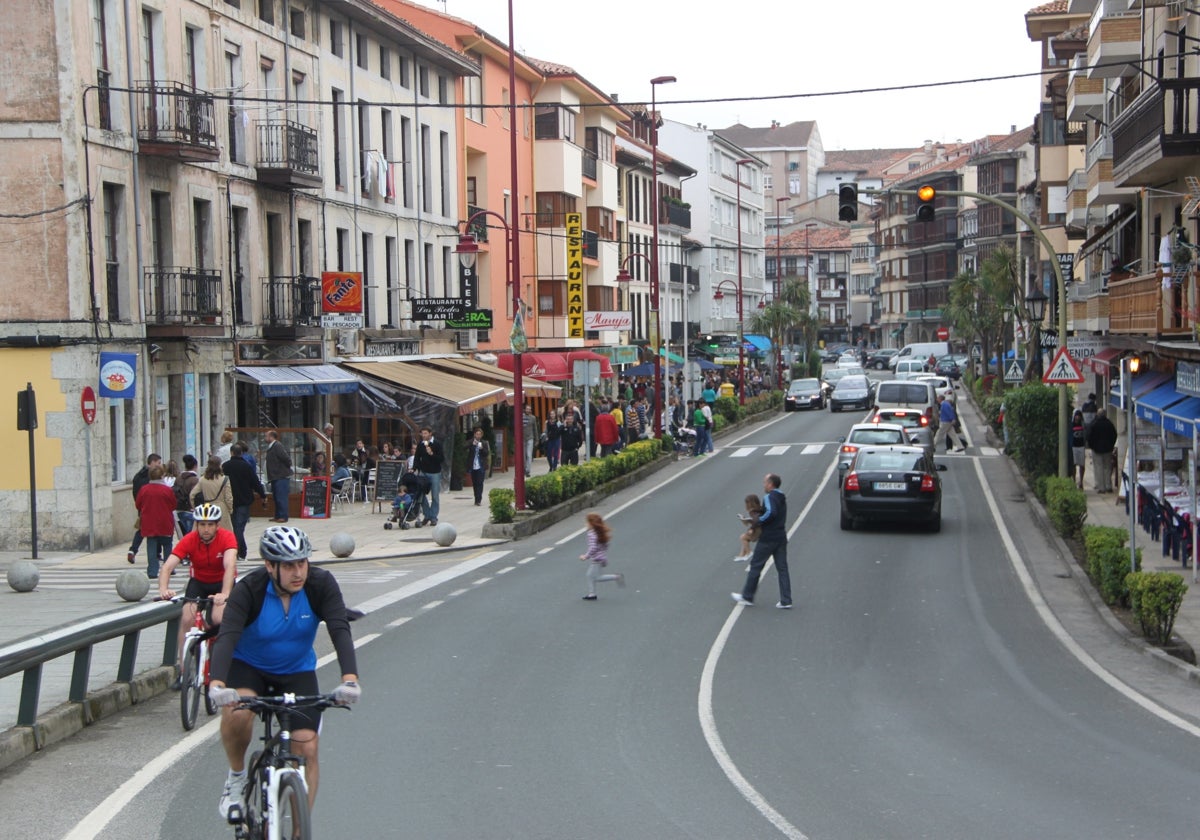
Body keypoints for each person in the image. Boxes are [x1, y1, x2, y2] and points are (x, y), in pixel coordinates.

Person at [207, 526, 360, 818]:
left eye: (302, 562)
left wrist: (349, 680)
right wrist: (217, 684)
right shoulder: (249, 590)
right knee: (237, 714)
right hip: (249, 668)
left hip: (296, 671)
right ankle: (237, 778)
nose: (298, 572)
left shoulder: (320, 584)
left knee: (308, 747)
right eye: (289, 565)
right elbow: (227, 635)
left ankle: (300, 831)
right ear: (269, 565)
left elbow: (340, 628)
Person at [158, 503, 238, 689]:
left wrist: (225, 594)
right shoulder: (190, 539)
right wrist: (164, 589)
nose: (206, 529)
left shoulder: (227, 537)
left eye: (210, 524)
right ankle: (184, 671)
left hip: (222, 582)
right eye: (202, 525)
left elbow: (230, 566)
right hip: (199, 583)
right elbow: (168, 566)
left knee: (218, 618)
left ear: (218, 525)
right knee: (187, 618)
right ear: (196, 525)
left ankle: (223, 659)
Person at [732, 473, 791, 609]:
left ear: (770, 484)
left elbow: (771, 513)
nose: (763, 485)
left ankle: (747, 596)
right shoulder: (782, 497)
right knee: (782, 568)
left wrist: (758, 522)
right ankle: (786, 599)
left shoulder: (769, 497)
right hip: (780, 536)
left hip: (768, 538)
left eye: (765, 482)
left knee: (756, 565)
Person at [221, 446, 264, 561]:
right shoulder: (246, 466)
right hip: (244, 500)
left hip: (230, 500)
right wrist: (262, 495)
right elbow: (255, 481)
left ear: (231, 453)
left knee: (234, 526)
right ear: (241, 453)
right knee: (239, 527)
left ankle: (237, 550)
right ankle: (241, 551)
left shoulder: (225, 466)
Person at [136, 464, 177, 580]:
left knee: (151, 546)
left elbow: (138, 504)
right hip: (165, 521)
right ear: (162, 475)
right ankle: (169, 568)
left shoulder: (144, 490)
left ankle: (152, 570)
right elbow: (173, 504)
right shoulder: (167, 490)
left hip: (149, 522)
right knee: (167, 545)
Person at [126, 453, 163, 564]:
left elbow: (135, 493)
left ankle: (133, 550)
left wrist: (140, 506)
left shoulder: (137, 476)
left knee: (142, 530)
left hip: (143, 507)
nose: (159, 465)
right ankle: (156, 553)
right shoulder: (151, 477)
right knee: (156, 531)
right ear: (152, 462)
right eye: (158, 463)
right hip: (153, 508)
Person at [579, 512, 624, 600]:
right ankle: (592, 594)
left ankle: (617, 577)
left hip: (597, 559)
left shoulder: (591, 534)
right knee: (590, 575)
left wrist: (585, 556)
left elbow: (593, 548)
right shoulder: (599, 533)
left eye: (587, 522)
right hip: (601, 558)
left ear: (591, 524)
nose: (585, 524)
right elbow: (605, 545)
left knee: (597, 577)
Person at [413, 426, 444, 526]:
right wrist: (414, 468)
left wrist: (431, 454)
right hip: (423, 472)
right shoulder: (421, 445)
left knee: (435, 495)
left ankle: (433, 517)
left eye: (426, 433)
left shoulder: (437, 444)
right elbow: (417, 458)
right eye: (422, 433)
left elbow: (441, 459)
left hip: (434, 472)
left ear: (430, 434)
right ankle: (427, 515)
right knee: (421, 495)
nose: (424, 435)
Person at [1086, 408, 1119, 493]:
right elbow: (1114, 435)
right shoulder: (1109, 424)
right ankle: (1108, 485)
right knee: (1108, 468)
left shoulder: (1094, 424)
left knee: (1099, 468)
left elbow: (1089, 436)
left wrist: (1092, 446)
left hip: (1097, 450)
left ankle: (1101, 487)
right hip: (1108, 449)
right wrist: (1111, 445)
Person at [264, 429, 293, 522]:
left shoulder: (277, 446)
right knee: (276, 497)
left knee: (281, 497)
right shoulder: (271, 447)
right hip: (274, 476)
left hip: (280, 476)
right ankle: (277, 515)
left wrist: (283, 469)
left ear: (271, 437)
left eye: (266, 436)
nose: (265, 438)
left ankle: (283, 516)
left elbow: (286, 458)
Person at [733, 494, 765, 562]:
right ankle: (741, 555)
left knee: (743, 537)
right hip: (761, 528)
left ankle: (749, 552)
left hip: (758, 530)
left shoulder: (752, 512)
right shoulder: (760, 508)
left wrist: (751, 529)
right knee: (745, 538)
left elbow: (756, 520)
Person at [175, 454, 200, 536]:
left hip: (179, 509)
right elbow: (197, 496)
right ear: (195, 466)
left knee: (184, 536)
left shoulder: (178, 478)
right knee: (191, 537)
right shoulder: (195, 480)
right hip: (191, 510)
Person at [468, 426, 490, 506]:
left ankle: (479, 499)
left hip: (481, 466)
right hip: (473, 466)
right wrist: (472, 444)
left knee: (480, 482)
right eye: (477, 434)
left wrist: (481, 448)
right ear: (474, 435)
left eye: (479, 434)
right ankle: (476, 498)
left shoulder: (484, 443)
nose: (478, 436)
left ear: (481, 435)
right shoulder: (471, 442)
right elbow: (464, 447)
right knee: (474, 483)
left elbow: (486, 453)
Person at [1071, 409, 1088, 489]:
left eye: (1079, 416)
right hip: (1074, 447)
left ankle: (1081, 481)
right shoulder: (1072, 425)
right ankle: (1073, 479)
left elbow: (1085, 435)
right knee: (1073, 465)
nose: (1077, 417)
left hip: (1081, 446)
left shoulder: (1083, 425)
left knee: (1082, 465)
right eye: (1076, 416)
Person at [522, 404, 539, 478]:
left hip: (530, 438)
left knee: (529, 455)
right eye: (527, 409)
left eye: (530, 409)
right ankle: (524, 468)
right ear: (525, 409)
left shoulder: (533, 418)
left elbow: (535, 428)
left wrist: (536, 439)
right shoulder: (521, 417)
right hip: (522, 439)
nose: (528, 410)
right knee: (523, 455)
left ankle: (528, 470)